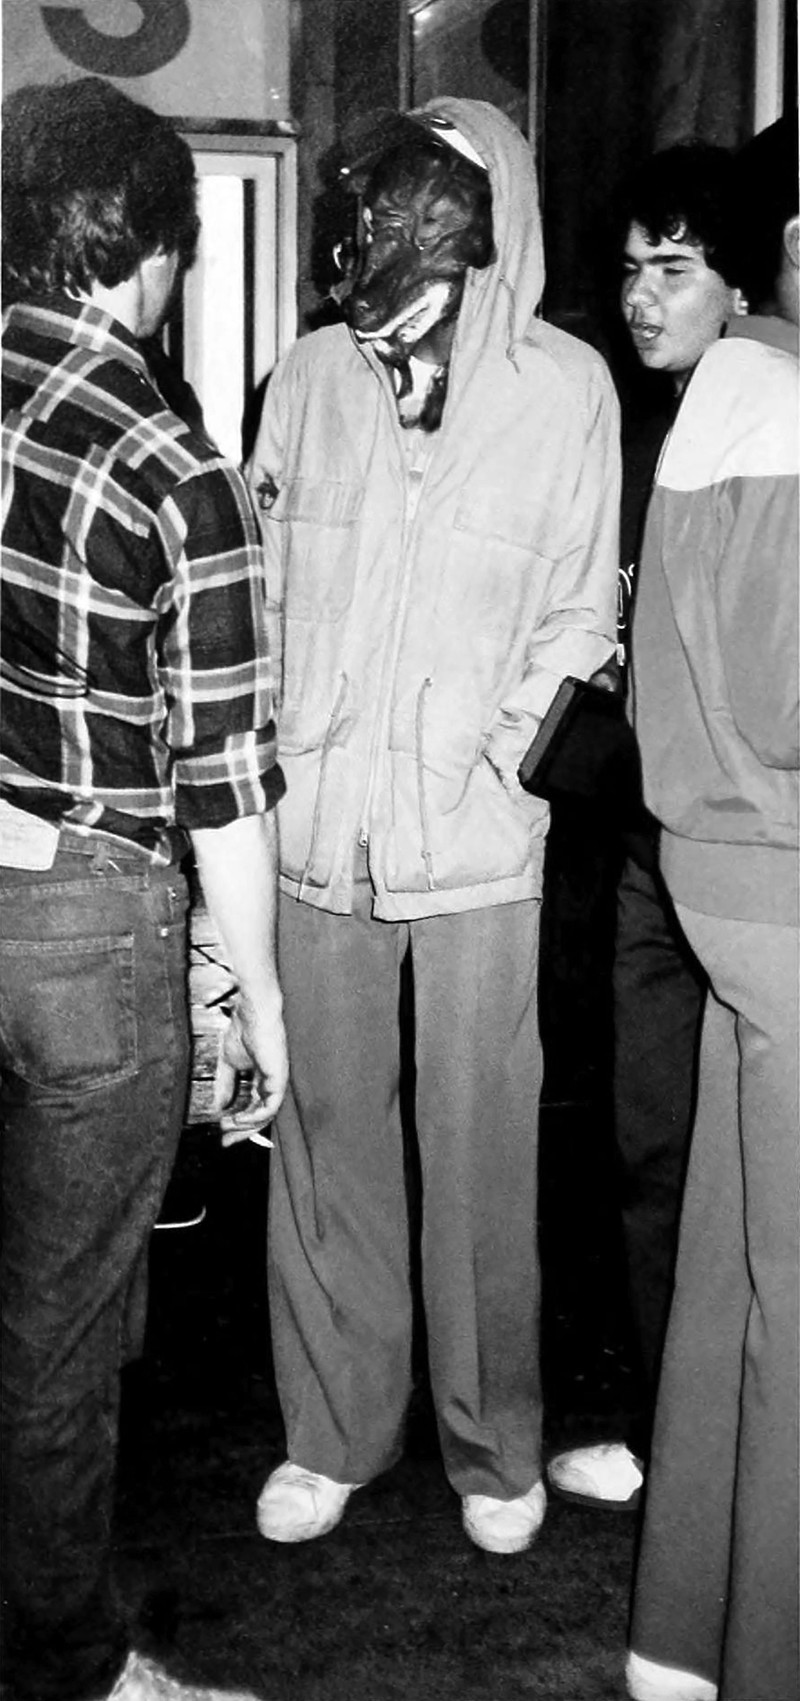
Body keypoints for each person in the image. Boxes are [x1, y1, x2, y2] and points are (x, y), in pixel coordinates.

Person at [246, 97, 620, 1556]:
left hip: (475, 836)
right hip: (317, 827)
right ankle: (332, 1431)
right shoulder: (309, 375)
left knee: (481, 1152)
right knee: (324, 1136)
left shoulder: (566, 390)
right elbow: (261, 589)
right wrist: (272, 771)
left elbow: (581, 613)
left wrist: (492, 759)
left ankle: (493, 1442)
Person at [0, 77, 288, 1701]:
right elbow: (224, 787)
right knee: (62, 1330)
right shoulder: (178, 467)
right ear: (155, 250)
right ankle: (70, 1666)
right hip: (92, 928)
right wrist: (263, 1000)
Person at [624, 111, 799, 1701]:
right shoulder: (782, 393)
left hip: (727, 877)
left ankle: (681, 1627)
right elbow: (786, 691)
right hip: (784, 879)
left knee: (739, 1270)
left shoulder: (731, 390)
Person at [547, 144, 749, 1514]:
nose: (641, 296)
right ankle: (675, 1430)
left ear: (744, 283)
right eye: (629, 269)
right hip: (643, 850)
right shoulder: (632, 436)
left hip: (750, 851)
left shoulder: (767, 435)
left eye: (673, 267)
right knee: (651, 1145)